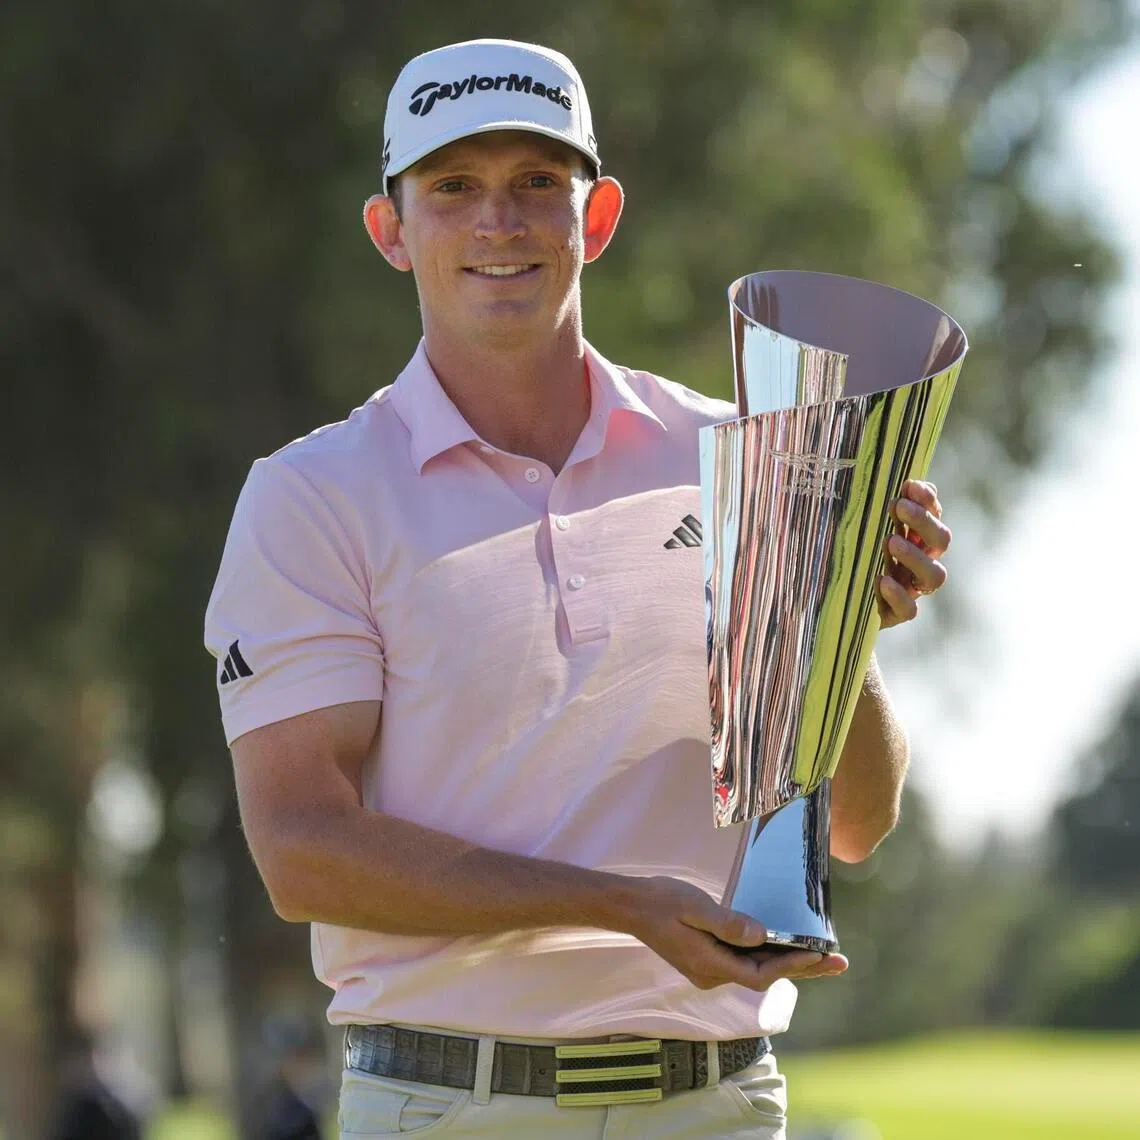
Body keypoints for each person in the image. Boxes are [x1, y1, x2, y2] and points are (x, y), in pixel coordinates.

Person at [205, 38, 953, 1138]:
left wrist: (842, 624)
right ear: (390, 231)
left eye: (536, 183)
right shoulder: (312, 497)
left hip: (719, 1103)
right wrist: (614, 906)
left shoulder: (741, 453)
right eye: (452, 188)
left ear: (595, 218)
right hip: (445, 1107)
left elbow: (853, 822)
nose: (497, 222)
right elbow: (302, 849)